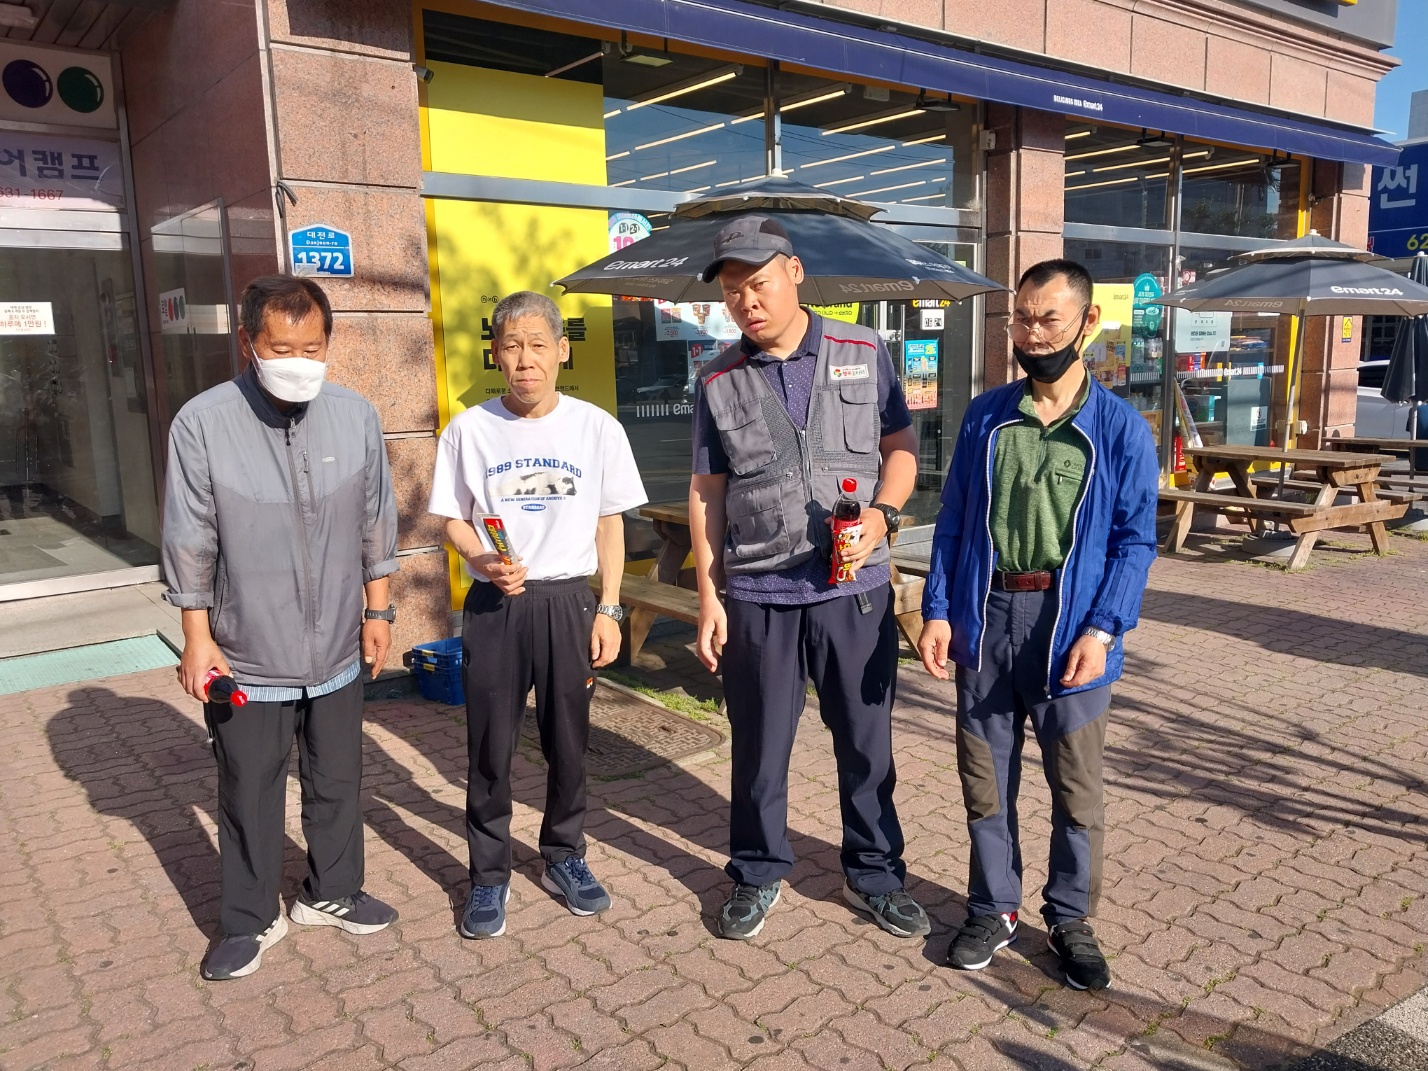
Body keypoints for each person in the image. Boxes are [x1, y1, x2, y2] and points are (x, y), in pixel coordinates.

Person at [917, 259, 1159, 991]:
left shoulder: (1119, 429)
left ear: (1087, 322)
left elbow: (1134, 541)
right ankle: (992, 907)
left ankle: (1070, 916)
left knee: (1076, 788)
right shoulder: (986, 417)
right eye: (1022, 318)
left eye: (1049, 318)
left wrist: (1104, 628)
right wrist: (937, 608)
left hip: (1071, 625)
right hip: (987, 618)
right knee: (984, 779)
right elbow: (954, 520)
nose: (1033, 333)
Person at [688, 215, 928, 941]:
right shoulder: (717, 379)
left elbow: (900, 447)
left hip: (854, 591)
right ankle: (756, 870)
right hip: (760, 593)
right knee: (759, 749)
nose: (746, 301)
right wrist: (709, 597)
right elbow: (706, 493)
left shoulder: (863, 348)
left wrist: (883, 515)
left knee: (866, 743)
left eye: (758, 283)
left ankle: (874, 875)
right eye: (732, 291)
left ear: (794, 272)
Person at [163, 274, 401, 981]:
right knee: (248, 788)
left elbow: (375, 518)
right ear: (249, 343)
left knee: (338, 777)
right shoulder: (203, 422)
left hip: (337, 644)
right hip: (245, 651)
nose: (299, 361)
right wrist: (197, 636)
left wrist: (379, 610)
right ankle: (248, 917)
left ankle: (332, 892)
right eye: (281, 347)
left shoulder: (354, 415)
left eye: (313, 348)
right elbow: (191, 536)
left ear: (329, 344)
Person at [428, 290, 647, 940]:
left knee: (568, 742)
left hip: (570, 602)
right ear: (495, 354)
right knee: (490, 745)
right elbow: (451, 519)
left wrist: (609, 607)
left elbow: (610, 524)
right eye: (512, 346)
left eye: (537, 345)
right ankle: (488, 873)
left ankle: (564, 854)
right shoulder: (468, 430)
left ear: (562, 351)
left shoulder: (597, 428)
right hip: (497, 604)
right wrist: (480, 558)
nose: (525, 359)